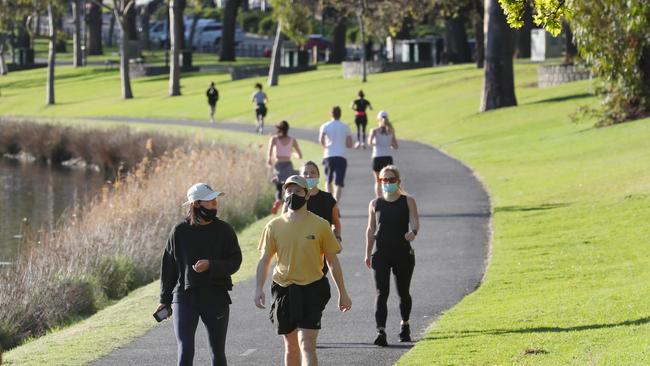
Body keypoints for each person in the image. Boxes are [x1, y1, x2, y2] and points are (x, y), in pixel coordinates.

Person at [255, 175, 352, 366]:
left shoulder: (321, 225)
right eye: (289, 191)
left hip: (312, 288)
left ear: (307, 195)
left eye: (298, 191)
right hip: (284, 289)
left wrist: (343, 293)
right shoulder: (274, 226)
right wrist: (258, 288)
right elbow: (264, 260)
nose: (293, 194)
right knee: (291, 347)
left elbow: (332, 261)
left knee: (306, 344)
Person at [157, 183, 243, 366]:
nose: (215, 205)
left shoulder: (224, 230)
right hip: (184, 297)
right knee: (185, 351)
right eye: (210, 202)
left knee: (217, 353)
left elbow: (235, 262)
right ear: (196, 204)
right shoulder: (179, 232)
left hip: (216, 295)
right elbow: (169, 268)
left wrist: (211, 265)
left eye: (215, 201)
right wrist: (164, 299)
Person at [364, 165, 420, 347]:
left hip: (403, 253)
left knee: (403, 293)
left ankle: (405, 325)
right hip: (380, 254)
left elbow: (415, 222)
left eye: (391, 180)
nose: (387, 183)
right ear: (380, 182)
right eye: (384, 180)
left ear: (398, 181)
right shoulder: (375, 204)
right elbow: (371, 229)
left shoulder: (408, 201)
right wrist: (367, 253)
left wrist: (413, 232)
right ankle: (381, 331)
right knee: (381, 293)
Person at [300, 161, 342, 274]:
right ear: (301, 177)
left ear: (318, 176)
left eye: (313, 173)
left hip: (322, 251)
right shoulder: (295, 200)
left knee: (319, 281)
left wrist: (337, 238)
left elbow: (336, 223)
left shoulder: (328, 199)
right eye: (305, 173)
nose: (309, 176)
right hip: (301, 249)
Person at [318, 106, 353, 203]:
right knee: (339, 182)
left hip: (329, 155)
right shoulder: (346, 127)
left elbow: (321, 140)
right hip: (341, 156)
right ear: (340, 114)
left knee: (328, 180)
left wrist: (326, 146)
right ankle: (336, 204)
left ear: (330, 114)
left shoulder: (325, 126)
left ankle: (329, 202)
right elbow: (350, 144)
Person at [267, 120, 303, 214]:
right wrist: (292, 152)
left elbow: (269, 154)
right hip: (288, 165)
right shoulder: (292, 140)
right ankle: (286, 205)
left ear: (278, 129)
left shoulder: (274, 139)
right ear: (287, 129)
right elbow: (300, 155)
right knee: (288, 187)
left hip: (278, 165)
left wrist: (269, 160)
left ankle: (278, 200)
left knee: (278, 186)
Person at [367, 110, 399, 197]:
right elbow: (395, 146)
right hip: (387, 157)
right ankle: (388, 197)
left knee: (378, 181)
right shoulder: (391, 131)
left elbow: (369, 143)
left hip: (377, 157)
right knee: (389, 180)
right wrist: (387, 144)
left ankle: (379, 199)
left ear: (378, 120)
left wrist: (376, 143)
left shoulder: (374, 131)